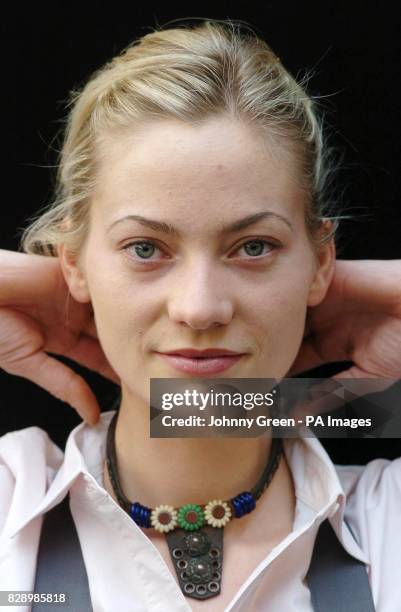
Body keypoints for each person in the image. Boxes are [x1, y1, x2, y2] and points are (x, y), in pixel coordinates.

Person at [0, 18, 400, 612]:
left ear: (320, 264)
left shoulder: (383, 520)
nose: (200, 308)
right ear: (74, 264)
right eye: (145, 249)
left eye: (254, 247)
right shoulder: (13, 502)